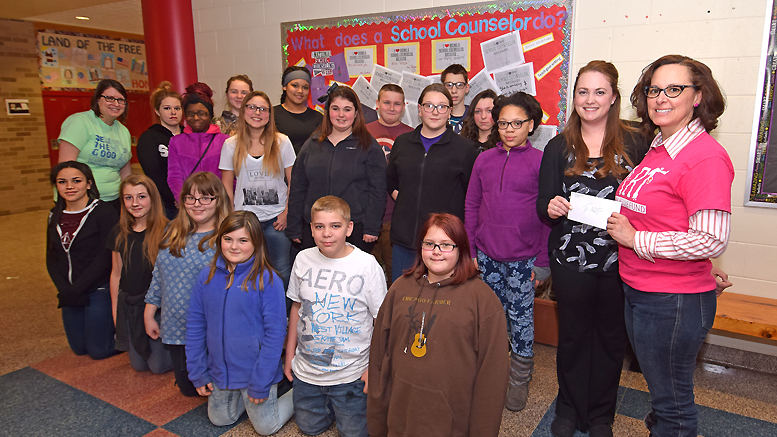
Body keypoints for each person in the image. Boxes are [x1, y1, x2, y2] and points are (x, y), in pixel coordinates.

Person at [607, 55, 734, 437]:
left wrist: (635, 239)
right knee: (663, 394)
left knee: (673, 404)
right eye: (653, 90)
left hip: (671, 300)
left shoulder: (704, 156)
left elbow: (711, 237)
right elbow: (673, 216)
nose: (661, 98)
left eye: (674, 89)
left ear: (698, 97)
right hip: (643, 289)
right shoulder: (660, 147)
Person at [537, 60, 648, 437]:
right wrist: (552, 207)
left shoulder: (635, 142)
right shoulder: (558, 146)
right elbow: (544, 204)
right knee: (572, 337)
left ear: (614, 97)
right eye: (583, 91)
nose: (590, 99)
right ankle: (568, 410)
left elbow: (653, 203)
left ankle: (601, 415)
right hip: (571, 260)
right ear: (574, 97)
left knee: (610, 339)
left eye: (599, 92)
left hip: (621, 260)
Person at [368, 213, 509, 437]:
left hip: (452, 422)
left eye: (446, 245)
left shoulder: (482, 300)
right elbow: (379, 355)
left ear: (461, 248)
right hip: (400, 415)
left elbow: (492, 378)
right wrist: (377, 417)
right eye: (429, 243)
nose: (436, 251)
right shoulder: (400, 289)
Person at [464, 92, 551, 411]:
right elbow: (472, 204)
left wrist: (542, 263)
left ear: (531, 124)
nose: (510, 129)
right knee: (489, 319)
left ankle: (518, 380)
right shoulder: (483, 160)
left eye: (517, 123)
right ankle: (491, 375)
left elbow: (547, 218)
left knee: (521, 320)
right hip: (486, 257)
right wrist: (472, 249)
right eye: (503, 123)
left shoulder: (540, 162)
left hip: (523, 260)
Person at [284, 196, 387, 437]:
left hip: (351, 374)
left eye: (335, 226)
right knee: (310, 428)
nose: (327, 234)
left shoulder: (366, 265)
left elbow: (381, 321)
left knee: (354, 433)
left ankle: (346, 406)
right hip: (307, 371)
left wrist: (374, 368)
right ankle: (325, 406)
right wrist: (290, 355)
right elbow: (297, 308)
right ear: (311, 229)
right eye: (319, 227)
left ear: (349, 228)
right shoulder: (303, 259)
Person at [186, 211, 294, 435]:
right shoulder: (206, 276)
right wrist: (198, 372)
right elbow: (195, 326)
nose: (234, 246)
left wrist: (261, 381)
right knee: (220, 419)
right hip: (221, 372)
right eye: (228, 239)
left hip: (256, 372)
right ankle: (242, 399)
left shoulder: (268, 279)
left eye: (243, 240)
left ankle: (301, 392)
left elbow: (275, 335)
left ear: (256, 243)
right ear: (220, 240)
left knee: (267, 427)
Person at [144, 172, 232, 396]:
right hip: (174, 323)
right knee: (188, 390)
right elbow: (158, 274)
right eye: (190, 198)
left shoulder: (226, 237)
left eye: (205, 198)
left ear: (218, 200)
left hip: (210, 329)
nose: (197, 204)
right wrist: (150, 311)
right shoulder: (172, 231)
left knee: (212, 390)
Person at [386, 83, 478, 282]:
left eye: (442, 106)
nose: (435, 112)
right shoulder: (402, 143)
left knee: (441, 305)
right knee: (404, 303)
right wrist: (407, 202)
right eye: (429, 106)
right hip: (405, 241)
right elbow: (391, 181)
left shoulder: (465, 149)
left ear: (450, 111)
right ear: (419, 110)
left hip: (444, 245)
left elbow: (470, 196)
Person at [286, 86, 386, 254]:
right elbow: (298, 186)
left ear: (355, 114)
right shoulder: (312, 144)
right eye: (335, 109)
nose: (341, 115)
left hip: (354, 229)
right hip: (315, 228)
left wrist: (372, 227)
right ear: (328, 112)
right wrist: (294, 225)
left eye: (347, 109)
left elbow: (378, 189)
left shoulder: (368, 145)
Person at [220, 91, 295, 291]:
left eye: (263, 109)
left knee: (281, 270)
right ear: (244, 110)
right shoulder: (230, 145)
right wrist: (231, 216)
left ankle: (284, 317)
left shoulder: (282, 142)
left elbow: (293, 181)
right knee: (245, 269)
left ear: (269, 114)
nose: (257, 113)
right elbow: (226, 183)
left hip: (277, 220)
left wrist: (287, 212)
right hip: (244, 221)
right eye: (252, 107)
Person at [46, 161, 118, 360]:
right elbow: (50, 257)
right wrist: (65, 289)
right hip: (70, 291)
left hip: (97, 288)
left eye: (76, 181)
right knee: (79, 348)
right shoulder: (54, 215)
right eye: (62, 182)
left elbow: (105, 257)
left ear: (88, 184)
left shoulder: (103, 212)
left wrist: (77, 288)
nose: (69, 186)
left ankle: (129, 338)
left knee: (98, 351)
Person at [109, 175, 172, 374]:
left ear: (152, 199)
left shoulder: (167, 231)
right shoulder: (119, 232)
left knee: (158, 367)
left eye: (141, 197)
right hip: (131, 306)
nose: (135, 203)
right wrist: (115, 312)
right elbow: (116, 274)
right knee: (138, 365)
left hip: (158, 308)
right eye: (128, 198)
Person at [57, 79, 132, 210]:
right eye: (109, 98)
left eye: (120, 100)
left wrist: (129, 195)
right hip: (82, 200)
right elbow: (65, 168)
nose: (116, 104)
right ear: (98, 99)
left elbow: (125, 171)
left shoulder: (123, 131)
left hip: (114, 201)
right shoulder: (79, 122)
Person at [365, 84, 414, 283]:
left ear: (404, 106)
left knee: (399, 277)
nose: (391, 108)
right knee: (367, 276)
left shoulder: (412, 135)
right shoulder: (363, 132)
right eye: (386, 102)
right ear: (377, 104)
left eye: (397, 104)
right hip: (368, 216)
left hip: (398, 218)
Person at [167, 82, 230, 201]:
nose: (196, 118)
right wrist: (184, 200)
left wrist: (222, 201)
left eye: (201, 113)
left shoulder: (225, 141)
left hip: (218, 203)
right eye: (191, 114)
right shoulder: (176, 142)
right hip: (190, 204)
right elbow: (174, 177)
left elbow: (232, 178)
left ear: (210, 115)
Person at [137, 81, 182, 219]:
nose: (173, 112)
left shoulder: (189, 135)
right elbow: (154, 175)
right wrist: (175, 197)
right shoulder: (149, 138)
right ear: (157, 111)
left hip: (192, 201)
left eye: (177, 108)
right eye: (167, 108)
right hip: (166, 204)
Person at [273, 66, 323, 154]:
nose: (300, 91)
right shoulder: (272, 114)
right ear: (284, 87)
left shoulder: (318, 117)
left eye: (305, 87)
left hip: (310, 166)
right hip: (280, 167)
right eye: (295, 86)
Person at [441, 64, 470, 133]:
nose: (454, 91)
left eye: (459, 85)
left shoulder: (475, 116)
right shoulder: (437, 116)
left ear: (467, 88)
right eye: (449, 85)